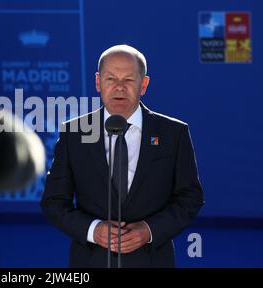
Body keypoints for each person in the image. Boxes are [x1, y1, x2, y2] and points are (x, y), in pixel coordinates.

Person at [41, 44, 204, 267]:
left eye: (128, 80)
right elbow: (54, 202)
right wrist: (93, 230)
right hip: (91, 262)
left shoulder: (173, 133)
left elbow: (190, 198)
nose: (119, 87)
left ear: (143, 84)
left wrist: (148, 231)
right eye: (111, 79)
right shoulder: (74, 134)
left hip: (152, 261)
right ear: (98, 82)